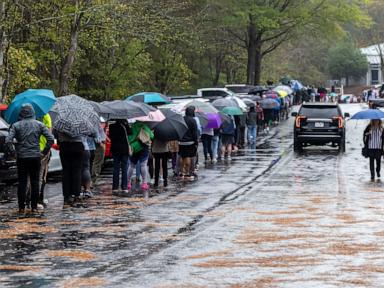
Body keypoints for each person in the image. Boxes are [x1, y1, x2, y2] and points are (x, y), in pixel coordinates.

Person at [6, 104, 54, 213]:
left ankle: (21, 207)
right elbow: (50, 138)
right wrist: (44, 152)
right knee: (35, 181)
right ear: (33, 112)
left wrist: (14, 153)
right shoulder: (39, 124)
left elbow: (8, 140)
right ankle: (34, 207)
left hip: (22, 157)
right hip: (35, 156)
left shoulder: (16, 125)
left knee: (22, 182)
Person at [127, 121, 154, 191]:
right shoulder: (144, 126)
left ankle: (128, 182)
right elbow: (152, 136)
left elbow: (129, 138)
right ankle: (144, 183)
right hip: (143, 147)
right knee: (143, 165)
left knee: (131, 165)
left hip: (134, 147)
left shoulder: (132, 126)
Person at [109, 119, 130, 194]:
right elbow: (130, 132)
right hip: (124, 150)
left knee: (116, 168)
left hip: (115, 149)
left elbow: (110, 136)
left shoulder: (111, 126)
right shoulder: (124, 126)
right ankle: (124, 187)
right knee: (124, 168)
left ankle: (115, 187)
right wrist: (126, 124)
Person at [37, 113, 52, 209]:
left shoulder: (23, 116)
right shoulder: (45, 115)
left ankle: (27, 199)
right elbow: (49, 133)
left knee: (28, 177)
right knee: (41, 177)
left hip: (29, 151)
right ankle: (39, 199)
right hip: (43, 150)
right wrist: (47, 150)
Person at [179, 106, 198, 180]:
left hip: (181, 141)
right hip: (190, 142)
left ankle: (181, 172)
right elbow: (194, 132)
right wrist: (196, 141)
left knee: (182, 156)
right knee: (188, 157)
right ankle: (187, 173)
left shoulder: (182, 119)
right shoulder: (193, 120)